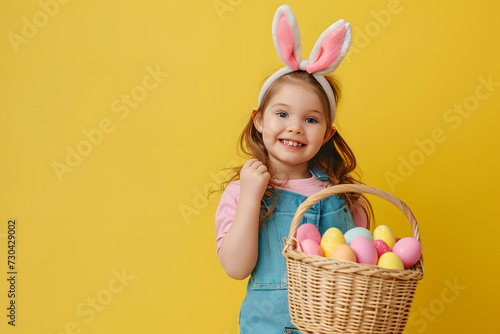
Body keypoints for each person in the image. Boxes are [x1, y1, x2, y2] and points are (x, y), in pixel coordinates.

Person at [214, 5, 372, 334]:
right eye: (282, 114)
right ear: (259, 120)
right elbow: (235, 267)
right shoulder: (244, 191)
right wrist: (251, 198)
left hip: (333, 326)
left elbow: (361, 270)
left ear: (327, 133)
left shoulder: (342, 196)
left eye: (311, 119)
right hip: (267, 327)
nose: (295, 128)